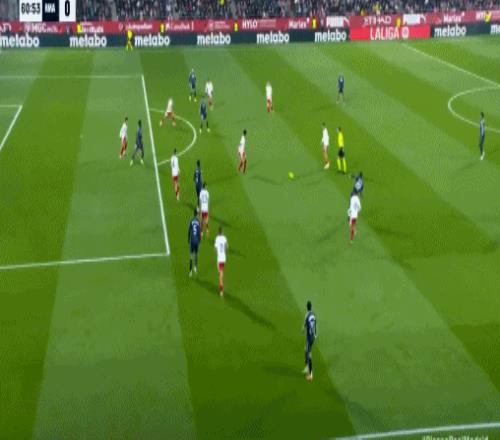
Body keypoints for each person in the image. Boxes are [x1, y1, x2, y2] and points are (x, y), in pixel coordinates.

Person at [303, 301, 316, 382]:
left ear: (306, 307)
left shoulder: (307, 315)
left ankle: (310, 374)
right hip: (313, 337)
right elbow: (315, 324)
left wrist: (303, 329)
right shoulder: (313, 314)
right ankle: (306, 367)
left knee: (309, 354)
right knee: (305, 351)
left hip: (309, 338)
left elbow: (305, 324)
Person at [214, 226, 228, 297]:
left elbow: (215, 248)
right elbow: (226, 246)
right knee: (221, 272)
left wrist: (217, 253)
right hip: (223, 258)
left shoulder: (217, 238)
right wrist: (224, 252)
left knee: (220, 276)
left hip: (219, 258)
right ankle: (221, 273)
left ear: (218, 232)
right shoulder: (224, 238)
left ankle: (221, 291)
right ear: (222, 232)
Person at [188, 208, 201, 277]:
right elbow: (199, 232)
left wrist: (188, 239)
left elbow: (189, 231)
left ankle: (190, 271)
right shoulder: (198, 222)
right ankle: (195, 267)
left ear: (193, 214)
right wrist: (199, 240)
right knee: (196, 254)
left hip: (192, 241)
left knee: (191, 256)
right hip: (196, 241)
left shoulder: (191, 221)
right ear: (197, 214)